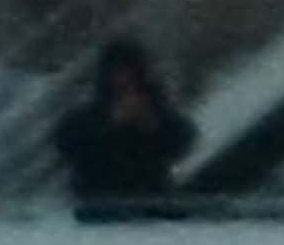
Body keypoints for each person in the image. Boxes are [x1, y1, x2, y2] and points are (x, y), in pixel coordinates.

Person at [52, 37, 198, 210]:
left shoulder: (160, 113)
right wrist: (108, 125)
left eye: (130, 73)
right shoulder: (86, 116)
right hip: (96, 203)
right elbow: (67, 143)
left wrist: (151, 125)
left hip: (151, 202)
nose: (123, 80)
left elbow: (182, 142)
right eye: (117, 73)